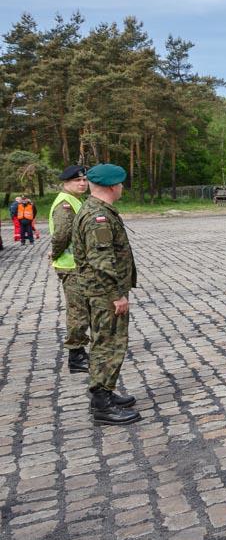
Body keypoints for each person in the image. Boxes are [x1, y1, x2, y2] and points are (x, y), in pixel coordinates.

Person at [71, 164, 141, 425]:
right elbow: (101, 260)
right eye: (121, 184)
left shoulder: (95, 210)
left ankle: (105, 394)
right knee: (108, 345)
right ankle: (102, 404)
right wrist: (116, 295)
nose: (122, 187)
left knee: (105, 343)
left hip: (100, 292)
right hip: (104, 294)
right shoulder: (97, 216)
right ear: (113, 186)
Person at [50, 165, 92, 373]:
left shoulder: (76, 200)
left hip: (78, 265)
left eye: (84, 180)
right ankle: (75, 356)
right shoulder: (65, 204)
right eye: (78, 181)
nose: (82, 183)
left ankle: (80, 352)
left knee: (82, 309)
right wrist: (55, 254)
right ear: (66, 183)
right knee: (78, 311)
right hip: (71, 266)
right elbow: (61, 235)